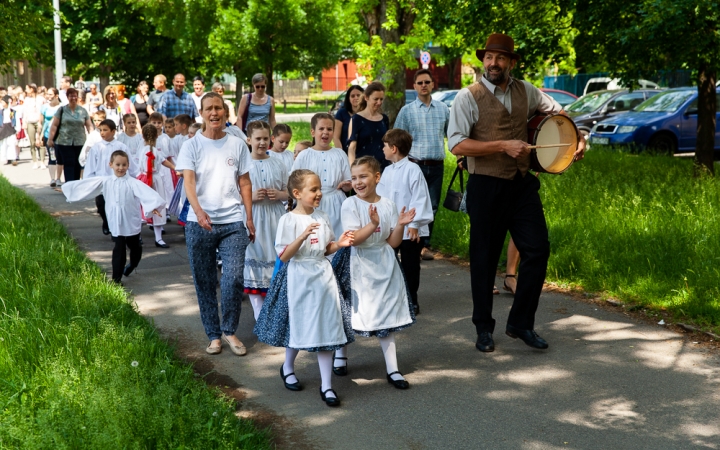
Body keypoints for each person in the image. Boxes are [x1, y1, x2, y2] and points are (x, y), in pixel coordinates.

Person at [447, 34, 585, 353]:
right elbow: (457, 144)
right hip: (486, 184)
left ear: (511, 62)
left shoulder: (528, 90)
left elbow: (561, 117)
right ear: (483, 61)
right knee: (484, 259)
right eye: (488, 58)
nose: (493, 63)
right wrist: (501, 145)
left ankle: (521, 322)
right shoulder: (468, 97)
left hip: (522, 184)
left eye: (500, 58)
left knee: (537, 250)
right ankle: (483, 327)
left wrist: (580, 137)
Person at [253, 169, 354, 407]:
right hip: (298, 277)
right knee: (298, 324)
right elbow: (285, 256)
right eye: (314, 189)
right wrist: (301, 236)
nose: (319, 193)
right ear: (297, 193)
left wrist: (339, 244)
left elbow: (326, 248)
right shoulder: (288, 220)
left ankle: (327, 386)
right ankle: (288, 366)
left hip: (323, 276)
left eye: (320, 189)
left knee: (327, 326)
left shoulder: (323, 216)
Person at [174, 92, 255, 356]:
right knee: (205, 281)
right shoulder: (192, 146)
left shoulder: (237, 144)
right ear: (202, 113)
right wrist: (198, 212)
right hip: (200, 224)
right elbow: (189, 183)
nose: (214, 113)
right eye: (209, 109)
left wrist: (250, 217)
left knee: (233, 279)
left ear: (225, 112)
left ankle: (230, 330)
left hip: (232, 222)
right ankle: (214, 335)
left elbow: (244, 182)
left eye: (218, 108)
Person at [332, 156, 416, 389]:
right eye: (354, 177)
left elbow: (392, 243)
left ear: (377, 178)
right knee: (347, 310)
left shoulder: (387, 204)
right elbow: (353, 240)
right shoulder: (350, 204)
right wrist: (371, 224)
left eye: (363, 176)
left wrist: (400, 224)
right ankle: (341, 354)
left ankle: (393, 368)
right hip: (355, 261)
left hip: (383, 261)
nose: (358, 182)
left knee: (386, 311)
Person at [62, 150, 165, 284]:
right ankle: (116, 279)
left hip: (130, 220)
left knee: (134, 246)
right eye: (118, 164)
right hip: (115, 221)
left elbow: (146, 193)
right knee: (119, 248)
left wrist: (154, 206)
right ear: (111, 165)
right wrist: (70, 190)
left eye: (124, 165)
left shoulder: (133, 183)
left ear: (128, 165)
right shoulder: (106, 181)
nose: (121, 168)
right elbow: (87, 186)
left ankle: (133, 264)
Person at [394, 69, 450, 261]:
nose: (424, 85)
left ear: (433, 84)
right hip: (414, 165)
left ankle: (425, 245)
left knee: (431, 207)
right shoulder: (406, 111)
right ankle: (409, 243)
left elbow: (451, 135)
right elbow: (398, 139)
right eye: (420, 83)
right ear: (414, 86)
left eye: (427, 82)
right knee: (411, 205)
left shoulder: (443, 109)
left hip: (436, 166)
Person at [376, 129, 433, 317]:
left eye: (384, 146)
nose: (382, 149)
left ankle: (411, 299)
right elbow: (382, 198)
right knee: (388, 263)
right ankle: (391, 298)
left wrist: (415, 224)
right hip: (392, 228)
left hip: (410, 230)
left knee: (410, 265)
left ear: (393, 148)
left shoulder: (413, 170)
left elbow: (419, 198)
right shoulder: (387, 171)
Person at [242, 121, 288, 320]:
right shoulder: (243, 163)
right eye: (257, 138)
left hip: (275, 217)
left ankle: (274, 311)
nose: (262, 142)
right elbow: (235, 194)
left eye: (265, 138)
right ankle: (259, 315)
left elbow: (290, 192)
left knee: (276, 258)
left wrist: (279, 194)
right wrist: (250, 196)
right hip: (254, 217)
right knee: (256, 257)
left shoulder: (277, 162)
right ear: (249, 139)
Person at [291, 113, 352, 241]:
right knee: (315, 239)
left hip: (335, 203)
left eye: (329, 129)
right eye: (321, 129)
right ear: (313, 132)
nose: (325, 132)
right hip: (311, 203)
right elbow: (293, 181)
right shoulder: (304, 155)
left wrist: (347, 186)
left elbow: (348, 182)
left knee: (335, 237)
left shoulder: (340, 154)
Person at [83, 119, 139, 235]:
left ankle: (118, 229)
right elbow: (91, 166)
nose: (102, 133)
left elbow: (130, 164)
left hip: (119, 181)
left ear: (113, 132)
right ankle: (106, 221)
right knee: (101, 205)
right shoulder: (96, 147)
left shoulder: (121, 147)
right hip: (102, 182)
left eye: (105, 130)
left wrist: (136, 177)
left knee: (117, 205)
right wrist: (88, 182)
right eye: (100, 130)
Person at [137, 124, 177, 248]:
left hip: (146, 179)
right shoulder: (151, 151)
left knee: (146, 207)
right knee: (155, 207)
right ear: (156, 136)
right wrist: (175, 168)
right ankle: (158, 238)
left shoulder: (146, 150)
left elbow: (162, 161)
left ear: (143, 136)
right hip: (151, 179)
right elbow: (163, 161)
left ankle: (140, 236)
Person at [48, 88, 93, 182]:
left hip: (79, 141)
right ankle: (69, 184)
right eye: (71, 96)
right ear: (67, 97)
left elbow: (89, 126)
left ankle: (75, 184)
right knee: (68, 163)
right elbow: (54, 125)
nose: (73, 98)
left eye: (75, 96)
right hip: (64, 142)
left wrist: (92, 138)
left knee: (77, 164)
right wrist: (50, 139)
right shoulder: (62, 110)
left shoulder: (83, 111)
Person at [347, 82, 390, 170]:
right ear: (366, 97)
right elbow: (352, 148)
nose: (379, 102)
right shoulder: (356, 119)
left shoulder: (384, 119)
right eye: (376, 99)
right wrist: (353, 170)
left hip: (383, 167)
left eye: (381, 99)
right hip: (364, 168)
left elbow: (387, 144)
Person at [39, 88, 63, 186]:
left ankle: (58, 178)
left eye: (50, 94)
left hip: (60, 136)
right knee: (51, 156)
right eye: (47, 94)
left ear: (56, 95)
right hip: (47, 134)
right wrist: (39, 135)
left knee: (60, 157)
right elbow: (41, 122)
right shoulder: (44, 107)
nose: (48, 96)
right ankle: (52, 179)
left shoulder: (62, 107)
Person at [333, 85, 364, 152]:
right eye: (352, 96)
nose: (356, 98)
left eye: (358, 95)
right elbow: (336, 137)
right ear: (348, 98)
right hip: (345, 152)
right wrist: (341, 154)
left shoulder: (367, 114)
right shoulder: (341, 113)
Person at [22, 84, 46, 169]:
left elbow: (44, 110)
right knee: (32, 142)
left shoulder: (41, 99)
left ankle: (42, 161)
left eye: (27, 88)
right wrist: (24, 122)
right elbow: (25, 111)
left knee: (41, 142)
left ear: (32, 89)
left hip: (39, 121)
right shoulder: (27, 100)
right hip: (30, 122)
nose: (26, 90)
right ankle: (35, 161)